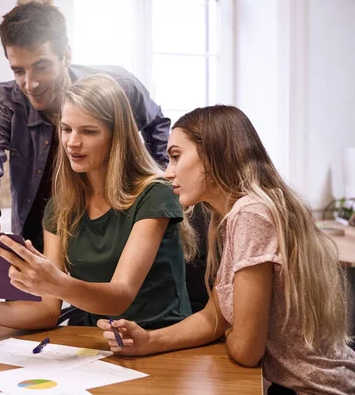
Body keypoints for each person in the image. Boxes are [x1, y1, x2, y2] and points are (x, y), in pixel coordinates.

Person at [98, 105, 355, 394]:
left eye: (175, 157)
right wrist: (149, 341)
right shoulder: (234, 214)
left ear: (212, 155)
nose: (168, 173)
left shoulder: (251, 214)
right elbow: (214, 318)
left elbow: (247, 350)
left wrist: (234, 332)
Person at [0, 74, 194, 330]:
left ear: (117, 137)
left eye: (89, 131)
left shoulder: (155, 193)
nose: (72, 142)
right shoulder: (62, 206)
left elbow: (121, 296)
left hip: (163, 341)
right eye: (66, 129)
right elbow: (47, 311)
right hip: (99, 343)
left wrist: (54, 281)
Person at [0, 1, 171, 252]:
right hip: (37, 240)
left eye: (41, 67)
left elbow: (158, 128)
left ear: (66, 55)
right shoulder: (4, 101)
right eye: (18, 71)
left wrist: (159, 190)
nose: (30, 84)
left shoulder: (117, 86)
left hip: (112, 237)